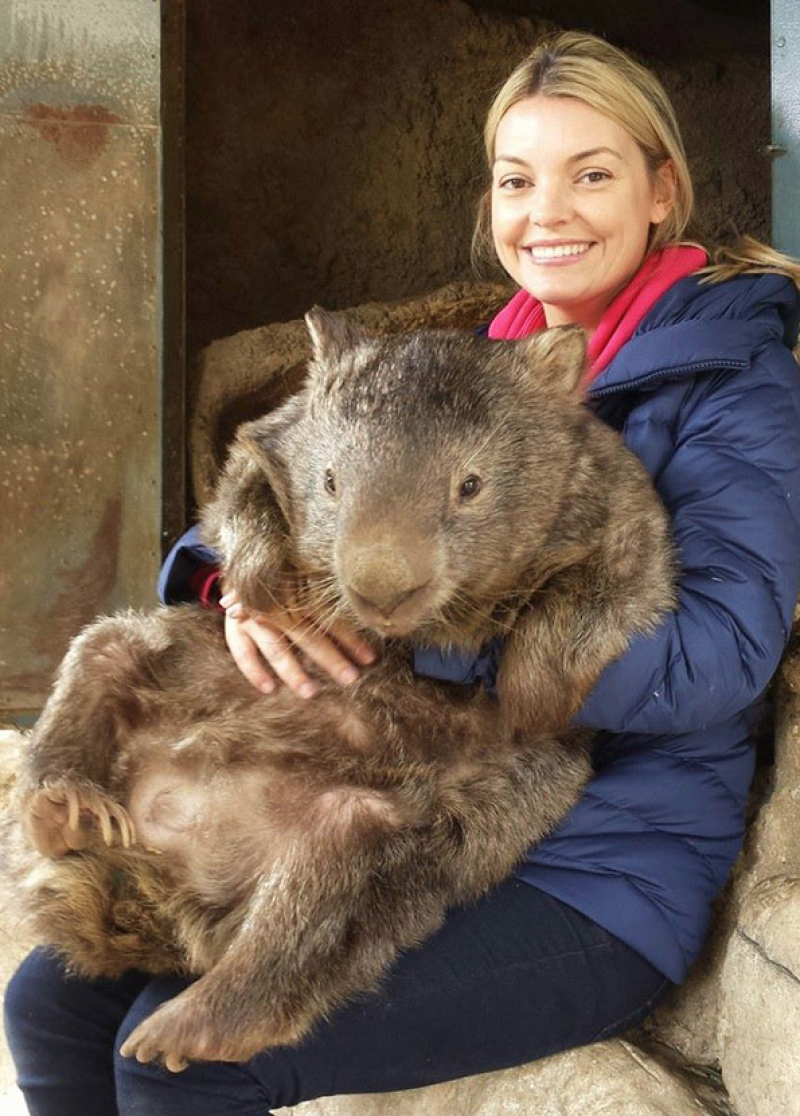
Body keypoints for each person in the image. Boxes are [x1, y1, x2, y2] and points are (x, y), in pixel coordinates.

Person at [6, 30, 800, 1116]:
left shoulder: (732, 383)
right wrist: (236, 589)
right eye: (518, 180)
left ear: (662, 189)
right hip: (368, 777)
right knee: (46, 1005)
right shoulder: (465, 359)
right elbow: (279, 473)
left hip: (594, 873)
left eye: (592, 174)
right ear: (489, 201)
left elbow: (720, 655)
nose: (548, 212)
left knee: (176, 1064)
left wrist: (443, 636)